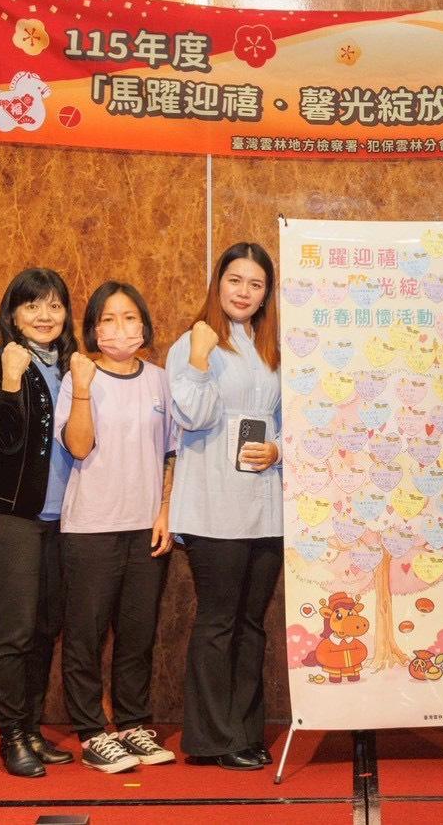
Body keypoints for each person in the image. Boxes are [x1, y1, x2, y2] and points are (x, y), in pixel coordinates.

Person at [167, 243, 282, 771]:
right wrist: (198, 357)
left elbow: (295, 417)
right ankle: (214, 738)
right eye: (235, 280)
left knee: (251, 623)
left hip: (267, 505)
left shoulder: (274, 346)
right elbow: (192, 415)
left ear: (266, 293)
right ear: (218, 283)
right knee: (218, 622)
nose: (244, 292)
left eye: (255, 284)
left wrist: (279, 449)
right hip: (214, 507)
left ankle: (246, 732)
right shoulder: (195, 342)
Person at [58, 282, 178, 774]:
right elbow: (78, 446)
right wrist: (83, 387)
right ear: (93, 328)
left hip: (146, 526)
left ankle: (132, 724)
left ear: (144, 325)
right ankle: (91, 732)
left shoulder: (161, 380)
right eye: (107, 319)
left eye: (129, 317)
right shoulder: (78, 376)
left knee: (137, 633)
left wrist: (166, 510)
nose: (119, 328)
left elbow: (172, 451)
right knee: (85, 635)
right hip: (91, 524)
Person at [0, 268, 80, 777]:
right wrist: (11, 380)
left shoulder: (76, 367)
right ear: (13, 315)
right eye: (32, 305)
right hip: (7, 513)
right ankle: (11, 736)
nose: (44, 315)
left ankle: (32, 728)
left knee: (45, 627)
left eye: (54, 305)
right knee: (14, 630)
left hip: (62, 517)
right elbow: (4, 439)